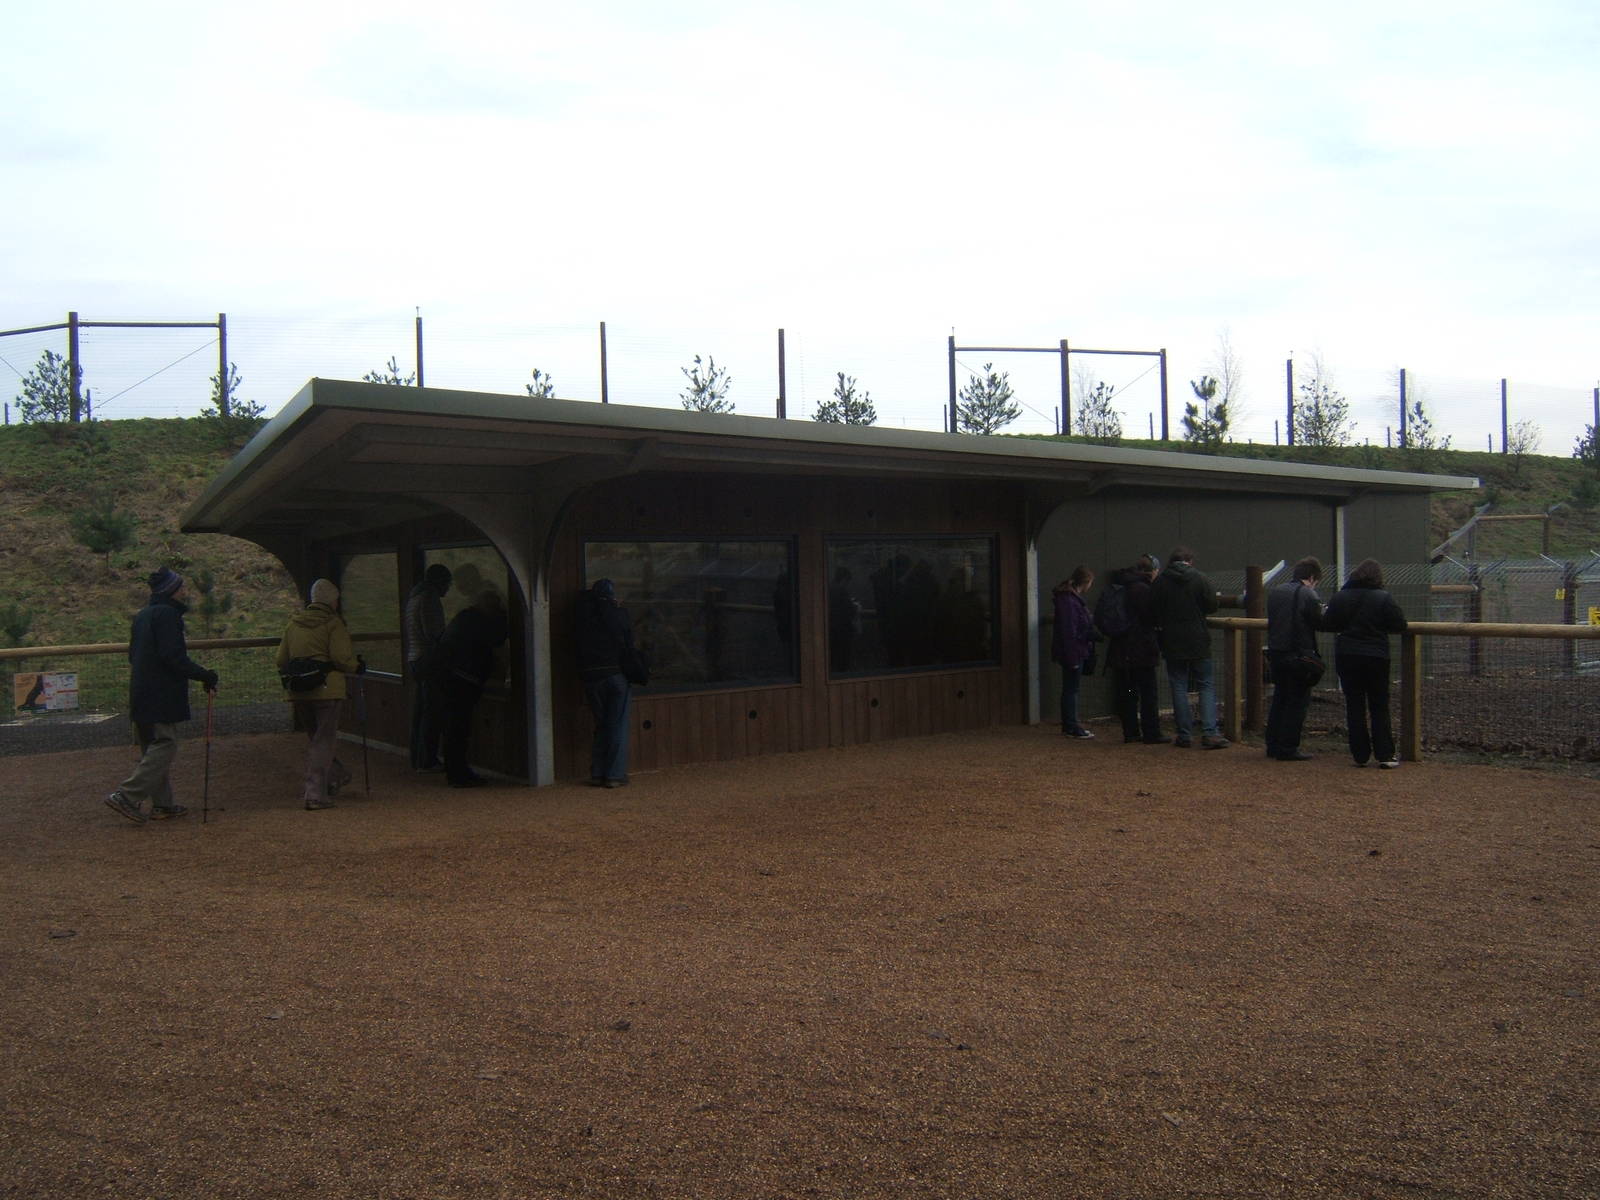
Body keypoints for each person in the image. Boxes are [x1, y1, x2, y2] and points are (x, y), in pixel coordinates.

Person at [103, 567, 218, 824]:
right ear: (172, 590)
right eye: (182, 587)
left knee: (151, 748)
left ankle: (163, 804)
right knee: (165, 744)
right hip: (161, 693)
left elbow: (134, 655)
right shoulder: (168, 615)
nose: (186, 591)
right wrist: (205, 675)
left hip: (141, 690)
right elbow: (173, 656)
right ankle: (127, 795)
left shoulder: (143, 615)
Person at [276, 578, 363, 810]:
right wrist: (357, 666)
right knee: (324, 741)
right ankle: (315, 794)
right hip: (327, 689)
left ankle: (337, 775)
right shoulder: (333, 624)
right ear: (333, 601)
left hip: (300, 690)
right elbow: (341, 658)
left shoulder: (293, 624)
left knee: (316, 739)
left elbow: (281, 659)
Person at [1321, 558, 1408, 768]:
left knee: (1354, 704)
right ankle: (1385, 754)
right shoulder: (1383, 598)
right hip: (1376, 656)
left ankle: (1359, 754)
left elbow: (1328, 623)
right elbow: (1400, 624)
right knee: (1379, 705)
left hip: (1347, 655)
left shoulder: (1341, 597)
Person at [1148, 547, 1228, 749]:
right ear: (1190, 561)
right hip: (1198, 638)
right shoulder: (1200, 579)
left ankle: (1184, 734)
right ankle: (1210, 733)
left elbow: (1153, 609)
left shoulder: (1160, 582)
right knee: (1205, 685)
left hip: (1171, 640)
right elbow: (1211, 605)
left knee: (1178, 685)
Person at [433, 588, 509, 788]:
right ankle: (458, 774)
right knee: (458, 728)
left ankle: (456, 770)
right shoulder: (477, 622)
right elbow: (497, 638)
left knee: (454, 728)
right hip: (462, 681)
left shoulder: (464, 618)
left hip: (451, 678)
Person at [1101, 554, 1168, 744]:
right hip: (1141, 650)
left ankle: (1130, 731)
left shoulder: (1121, 585)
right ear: (1152, 570)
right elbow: (1151, 617)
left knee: (1129, 692)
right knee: (1148, 692)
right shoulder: (1143, 589)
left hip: (1121, 649)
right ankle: (1151, 731)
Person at [576, 578, 637, 786]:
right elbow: (629, 643)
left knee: (602, 725)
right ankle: (614, 775)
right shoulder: (618, 614)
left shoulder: (582, 616)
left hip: (591, 676)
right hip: (615, 674)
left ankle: (598, 772)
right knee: (617, 725)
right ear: (612, 595)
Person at [1264, 556, 1325, 762]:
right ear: (1311, 577)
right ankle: (1288, 747)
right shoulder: (1308, 594)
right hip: (1298, 654)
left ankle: (1272, 744)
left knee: (1280, 699)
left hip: (1276, 652)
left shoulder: (1276, 592)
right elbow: (1318, 621)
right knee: (1297, 702)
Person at [404, 563, 452, 771]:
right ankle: (428, 759)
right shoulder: (429, 598)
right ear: (440, 581)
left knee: (421, 711)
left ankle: (418, 756)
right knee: (432, 712)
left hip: (416, 658)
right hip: (428, 660)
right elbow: (433, 632)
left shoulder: (414, 597)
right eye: (447, 583)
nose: (448, 588)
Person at [1051, 566, 1097, 739]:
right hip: (1074, 651)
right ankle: (1071, 725)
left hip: (1073, 650)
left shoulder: (1067, 600)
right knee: (1072, 689)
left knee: (1070, 688)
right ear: (1085, 582)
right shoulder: (1070, 601)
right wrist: (1073, 657)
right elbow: (1069, 631)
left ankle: (1069, 724)